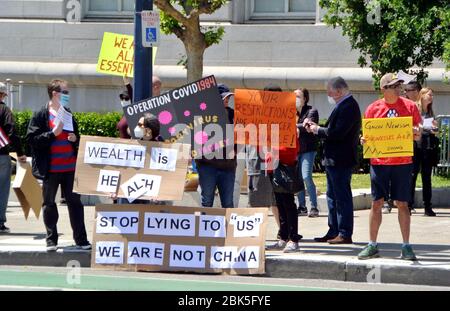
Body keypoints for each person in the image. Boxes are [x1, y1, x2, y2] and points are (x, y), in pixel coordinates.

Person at [358, 73, 422, 261]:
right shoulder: (372, 109)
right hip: (379, 163)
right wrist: (363, 140)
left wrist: (416, 132)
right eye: (394, 86)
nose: (398, 89)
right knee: (376, 203)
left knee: (402, 204)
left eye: (399, 85)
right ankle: (372, 245)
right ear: (383, 89)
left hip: (402, 163)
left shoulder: (409, 106)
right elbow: (367, 136)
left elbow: (418, 133)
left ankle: (406, 245)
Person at [26, 79, 91, 252]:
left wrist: (74, 139)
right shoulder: (41, 114)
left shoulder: (67, 112)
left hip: (70, 168)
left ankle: (81, 240)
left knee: (75, 204)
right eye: (65, 92)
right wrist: (53, 134)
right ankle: (51, 240)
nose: (68, 95)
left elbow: (75, 135)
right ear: (55, 94)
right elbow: (32, 140)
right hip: (51, 169)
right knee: (49, 204)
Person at [306, 77, 361, 245]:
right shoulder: (342, 105)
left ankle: (344, 233)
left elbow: (337, 133)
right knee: (332, 196)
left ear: (339, 91)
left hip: (341, 159)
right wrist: (316, 127)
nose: (328, 94)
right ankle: (334, 230)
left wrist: (317, 130)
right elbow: (333, 129)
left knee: (341, 197)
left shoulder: (349, 106)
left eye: (330, 91)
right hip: (333, 159)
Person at [265, 84, 301, 253]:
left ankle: (293, 239)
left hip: (285, 165)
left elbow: (293, 148)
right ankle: (283, 236)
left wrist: (274, 151)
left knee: (288, 203)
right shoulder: (267, 120)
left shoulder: (288, 119)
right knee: (280, 203)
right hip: (273, 166)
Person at [195, 84, 236, 208]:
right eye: (224, 98)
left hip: (228, 166)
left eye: (228, 98)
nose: (227, 100)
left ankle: (227, 228)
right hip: (208, 166)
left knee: (228, 203)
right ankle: (204, 227)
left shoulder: (234, 114)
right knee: (207, 202)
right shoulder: (203, 115)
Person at [0, 82, 27, 233]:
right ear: (3, 95)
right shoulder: (4, 110)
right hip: (2, 156)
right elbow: (12, 133)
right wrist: (20, 153)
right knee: (2, 190)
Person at [409, 87, 439, 216]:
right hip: (416, 145)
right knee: (412, 175)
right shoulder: (415, 108)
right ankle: (409, 205)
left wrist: (434, 128)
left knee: (427, 177)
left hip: (427, 146)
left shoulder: (430, 112)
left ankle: (428, 207)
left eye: (432, 95)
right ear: (422, 95)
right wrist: (419, 128)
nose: (431, 97)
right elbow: (409, 125)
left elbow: (434, 130)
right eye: (429, 95)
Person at [295, 88, 319, 217]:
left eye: (298, 96)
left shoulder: (311, 111)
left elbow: (309, 126)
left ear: (305, 99)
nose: (295, 99)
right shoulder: (290, 112)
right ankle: (302, 206)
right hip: (295, 150)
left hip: (308, 149)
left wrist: (297, 127)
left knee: (306, 176)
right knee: (297, 178)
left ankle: (314, 206)